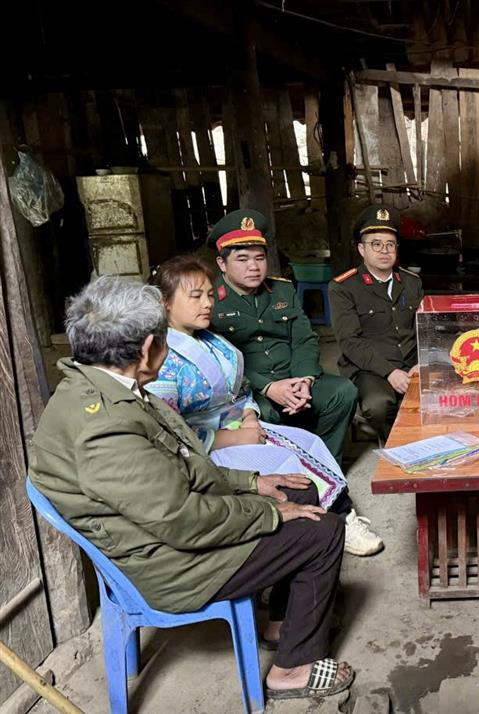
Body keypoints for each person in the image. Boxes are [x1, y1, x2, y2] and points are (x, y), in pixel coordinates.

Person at [29, 276, 356, 701]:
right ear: (149, 347)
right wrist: (269, 512)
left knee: (300, 491)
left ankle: (282, 626)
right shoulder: (106, 426)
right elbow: (183, 521)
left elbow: (180, 464)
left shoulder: (100, 384)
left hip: (163, 528)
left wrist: (253, 482)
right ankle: (292, 670)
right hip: (171, 564)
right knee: (323, 531)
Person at [147, 255, 383, 557]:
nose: (207, 304)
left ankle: (341, 514)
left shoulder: (212, 341)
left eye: (209, 295)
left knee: (308, 442)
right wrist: (231, 438)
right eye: (196, 296)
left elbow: (241, 387)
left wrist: (249, 416)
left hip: (240, 424)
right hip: (206, 445)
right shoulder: (159, 358)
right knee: (285, 462)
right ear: (165, 302)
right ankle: (330, 522)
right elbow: (167, 431)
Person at [209, 209, 358, 467]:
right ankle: (283, 470)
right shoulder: (210, 300)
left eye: (259, 258)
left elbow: (304, 339)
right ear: (222, 264)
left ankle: (324, 466)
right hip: (250, 389)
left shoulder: (283, 289)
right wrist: (269, 388)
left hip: (293, 376)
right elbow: (219, 359)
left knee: (343, 392)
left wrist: (305, 380)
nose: (254, 266)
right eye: (242, 259)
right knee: (264, 414)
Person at [330, 204, 423, 443]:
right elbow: (350, 342)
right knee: (378, 405)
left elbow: (424, 328)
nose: (384, 251)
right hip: (370, 367)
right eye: (376, 244)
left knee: (442, 396)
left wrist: (422, 362)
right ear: (362, 249)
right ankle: (395, 445)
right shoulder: (343, 287)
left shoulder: (412, 282)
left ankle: (423, 442)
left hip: (411, 363)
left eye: (390, 244)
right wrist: (390, 372)